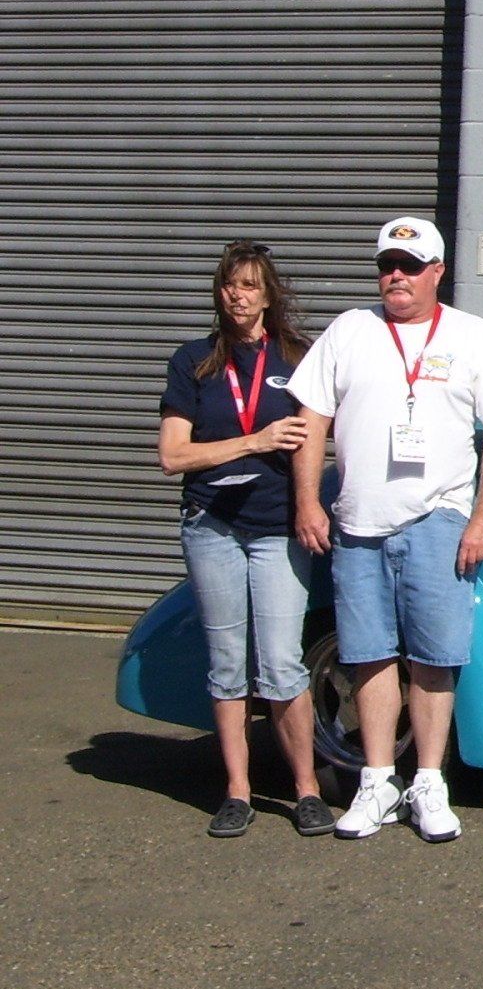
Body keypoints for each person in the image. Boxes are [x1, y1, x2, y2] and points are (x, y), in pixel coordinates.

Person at [289, 216, 483, 843]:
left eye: (409, 265)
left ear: (437, 271)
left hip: (438, 522)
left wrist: (482, 518)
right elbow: (311, 418)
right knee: (367, 657)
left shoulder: (473, 336)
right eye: (386, 265)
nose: (395, 276)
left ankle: (428, 783)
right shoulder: (349, 331)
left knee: (433, 659)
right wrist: (308, 504)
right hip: (358, 526)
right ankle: (376, 783)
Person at [158, 240, 333, 838]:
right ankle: (236, 790)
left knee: (283, 664)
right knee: (229, 665)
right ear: (220, 291)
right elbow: (172, 455)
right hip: (211, 525)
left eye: (251, 285)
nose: (240, 295)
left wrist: (311, 504)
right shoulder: (194, 361)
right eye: (231, 285)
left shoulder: (299, 357)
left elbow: (316, 438)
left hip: (276, 527)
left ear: (268, 294)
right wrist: (251, 442)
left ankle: (306, 790)